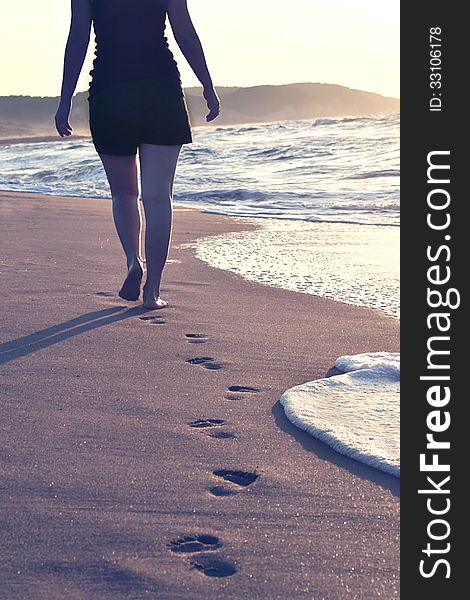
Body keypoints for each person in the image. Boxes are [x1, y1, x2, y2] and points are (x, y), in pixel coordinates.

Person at [54, 0, 220, 309]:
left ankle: (133, 260)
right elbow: (184, 30)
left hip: (110, 93)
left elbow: (77, 38)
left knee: (124, 193)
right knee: (157, 198)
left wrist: (64, 101)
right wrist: (208, 86)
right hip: (160, 91)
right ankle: (152, 290)